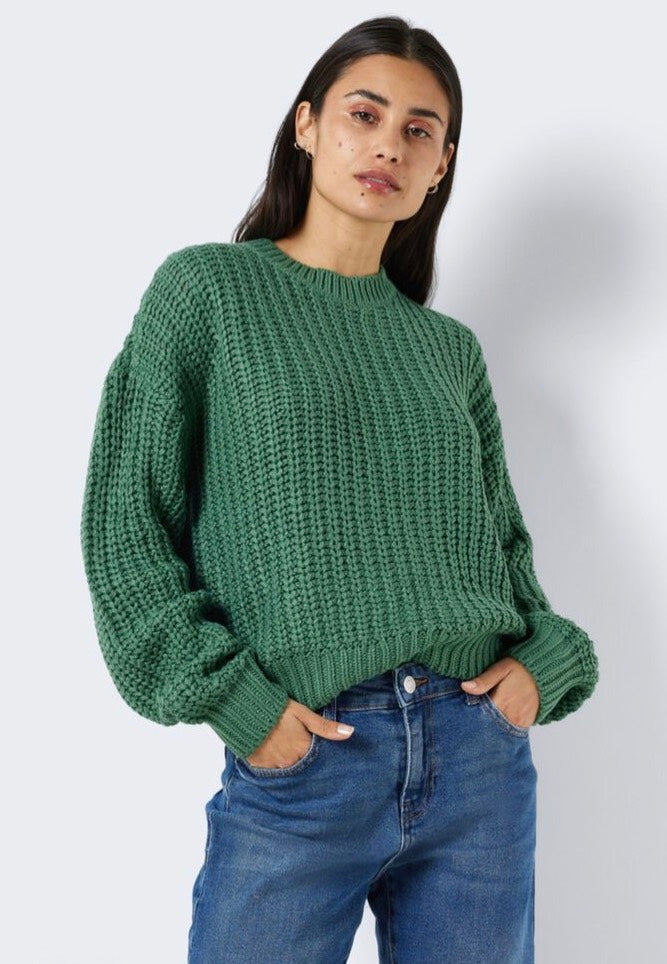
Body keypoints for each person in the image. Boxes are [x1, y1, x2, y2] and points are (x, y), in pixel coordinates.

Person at [80, 15, 600, 964]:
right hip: (307, 755)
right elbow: (127, 525)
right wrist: (238, 704)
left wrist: (544, 664)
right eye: (365, 114)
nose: (388, 145)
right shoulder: (208, 293)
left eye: (418, 130)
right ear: (307, 125)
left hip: (478, 763)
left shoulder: (446, 351)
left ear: (440, 166)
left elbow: (503, 553)